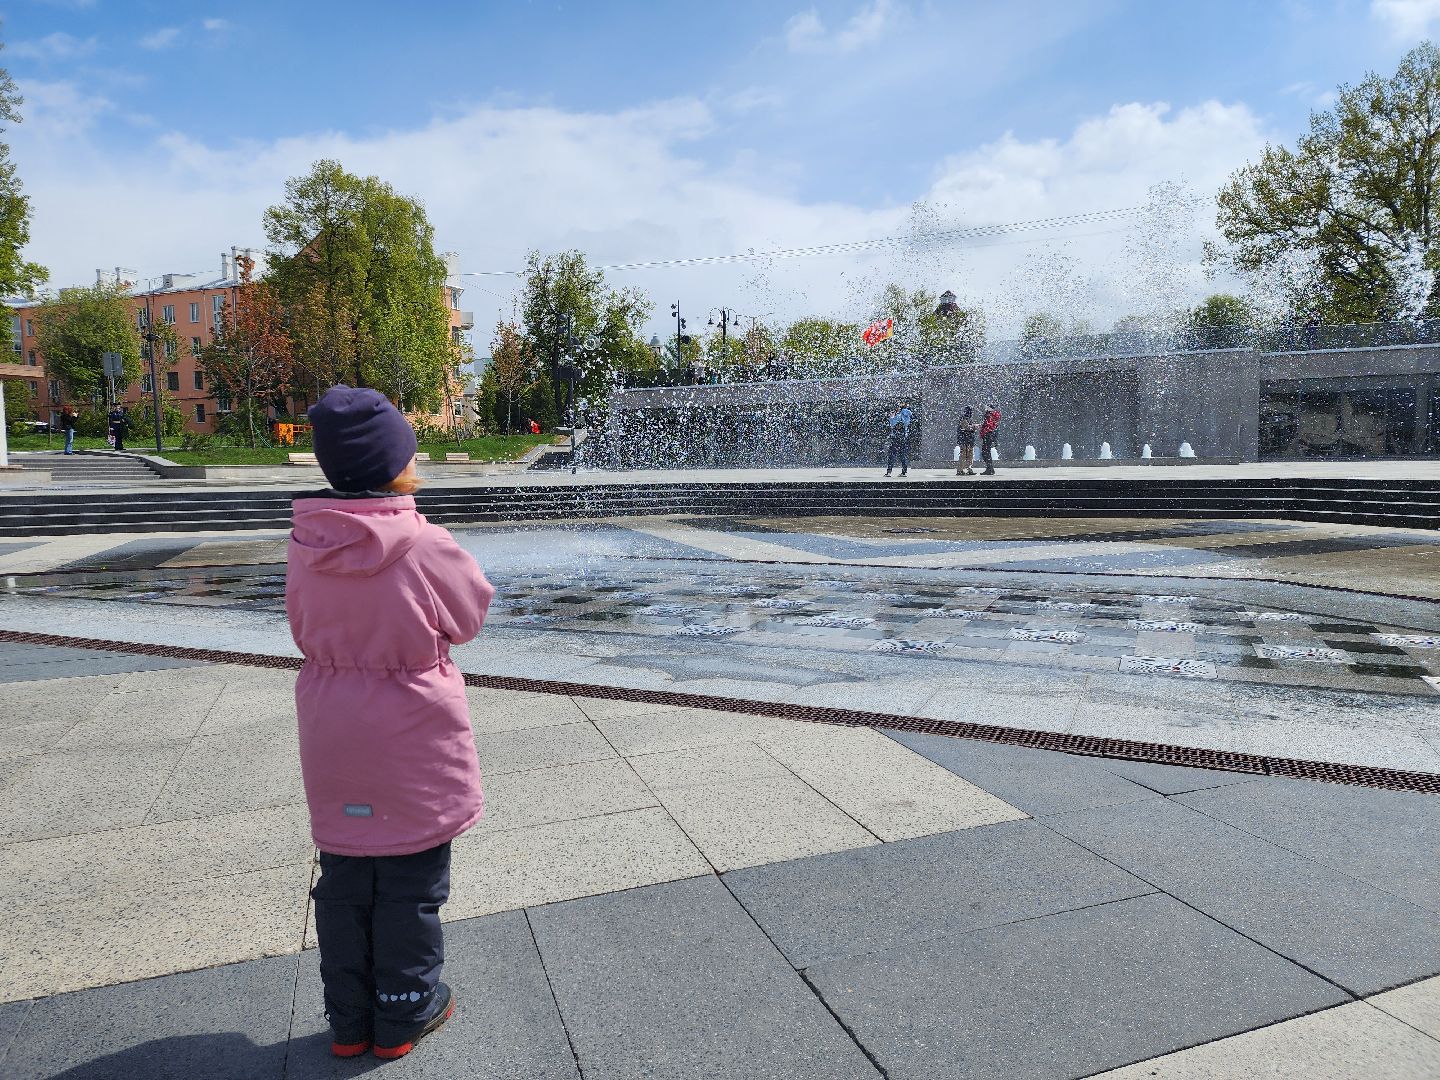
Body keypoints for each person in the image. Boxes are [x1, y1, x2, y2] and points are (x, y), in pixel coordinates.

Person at [287, 385, 495, 1061]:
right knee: (410, 881)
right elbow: (468, 616)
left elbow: (301, 626)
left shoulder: (306, 542)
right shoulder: (423, 543)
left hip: (332, 730)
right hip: (411, 735)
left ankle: (349, 1020)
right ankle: (406, 1009)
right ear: (395, 465)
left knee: (346, 877)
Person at [884, 403, 913, 477]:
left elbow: (892, 424)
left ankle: (889, 472)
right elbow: (893, 424)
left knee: (892, 455)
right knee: (902, 455)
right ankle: (903, 472)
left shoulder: (901, 414)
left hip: (896, 438)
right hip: (903, 438)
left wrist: (892, 416)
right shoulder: (905, 416)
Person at [979, 403, 1001, 475]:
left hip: (987, 435)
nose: (985, 409)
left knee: (985, 452)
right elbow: (993, 426)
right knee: (987, 452)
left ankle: (990, 469)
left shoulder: (989, 415)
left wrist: (983, 429)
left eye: (987, 407)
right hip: (990, 435)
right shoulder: (994, 415)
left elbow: (988, 425)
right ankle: (990, 469)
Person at [954, 406, 976, 476]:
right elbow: (966, 427)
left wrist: (973, 427)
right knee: (964, 455)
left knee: (970, 455)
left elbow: (969, 428)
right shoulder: (963, 418)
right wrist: (974, 427)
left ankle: (968, 468)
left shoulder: (969, 419)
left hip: (969, 440)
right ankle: (960, 470)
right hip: (964, 440)